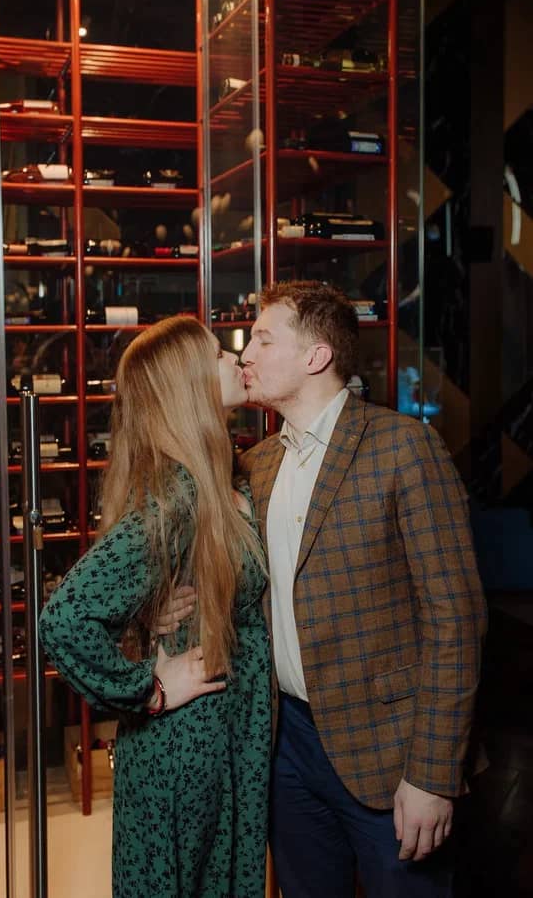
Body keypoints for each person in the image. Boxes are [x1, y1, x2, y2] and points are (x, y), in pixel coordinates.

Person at [161, 280, 487, 897]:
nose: (246, 353)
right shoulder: (257, 464)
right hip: (285, 745)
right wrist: (167, 613)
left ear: (316, 356)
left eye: (263, 339)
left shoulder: (404, 448)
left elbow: (456, 621)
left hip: (389, 750)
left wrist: (433, 774)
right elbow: (239, 585)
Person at [39, 315, 271, 898]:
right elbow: (64, 621)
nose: (234, 358)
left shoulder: (224, 479)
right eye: (217, 354)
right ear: (189, 385)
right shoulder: (179, 495)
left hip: (227, 738)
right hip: (186, 746)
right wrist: (150, 688)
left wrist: (149, 613)